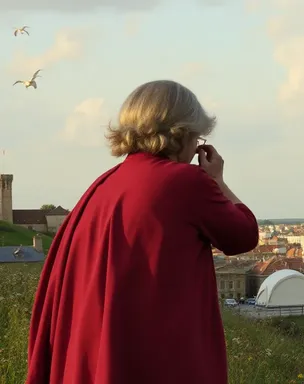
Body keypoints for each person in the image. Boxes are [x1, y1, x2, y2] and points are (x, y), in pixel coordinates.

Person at [25, 80, 259, 384]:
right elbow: (244, 234)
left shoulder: (102, 187)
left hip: (98, 353)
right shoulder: (184, 183)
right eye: (197, 136)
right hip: (159, 356)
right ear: (183, 134)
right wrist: (217, 180)